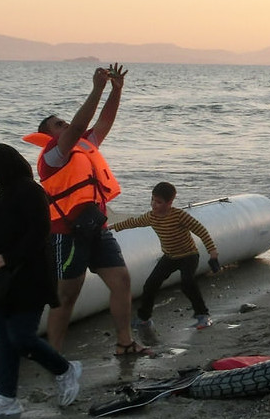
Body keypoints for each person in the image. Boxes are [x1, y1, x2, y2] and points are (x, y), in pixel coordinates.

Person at [30, 65, 135, 355]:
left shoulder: (84, 144)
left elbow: (104, 121)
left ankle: (125, 343)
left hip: (96, 227)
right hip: (67, 234)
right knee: (67, 295)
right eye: (58, 124)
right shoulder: (52, 156)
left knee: (122, 281)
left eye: (63, 122)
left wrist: (116, 91)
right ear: (48, 135)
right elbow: (77, 127)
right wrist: (97, 89)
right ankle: (54, 355)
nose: (65, 125)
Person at [0, 143, 81, 419]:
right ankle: (7, 398)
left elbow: (40, 232)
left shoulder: (30, 191)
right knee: (5, 341)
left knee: (21, 337)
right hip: (2, 281)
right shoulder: (1, 195)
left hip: (28, 279)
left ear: (1, 167)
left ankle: (65, 370)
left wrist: (8, 257)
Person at [120, 182, 221, 341]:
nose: (154, 204)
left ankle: (203, 315)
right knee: (150, 284)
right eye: (152, 200)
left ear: (169, 203)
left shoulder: (179, 215)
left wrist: (213, 253)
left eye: (158, 202)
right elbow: (133, 222)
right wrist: (112, 227)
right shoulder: (151, 217)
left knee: (187, 283)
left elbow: (201, 230)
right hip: (170, 257)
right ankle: (144, 318)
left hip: (189, 255)